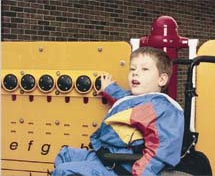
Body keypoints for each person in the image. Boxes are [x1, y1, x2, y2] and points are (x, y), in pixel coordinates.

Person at [52, 47, 184, 176]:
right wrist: (108, 88)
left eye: (144, 69)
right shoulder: (137, 99)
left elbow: (161, 150)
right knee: (66, 154)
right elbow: (122, 99)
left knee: (64, 171)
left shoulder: (163, 108)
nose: (135, 73)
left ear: (161, 79)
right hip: (108, 155)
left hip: (123, 165)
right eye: (132, 68)